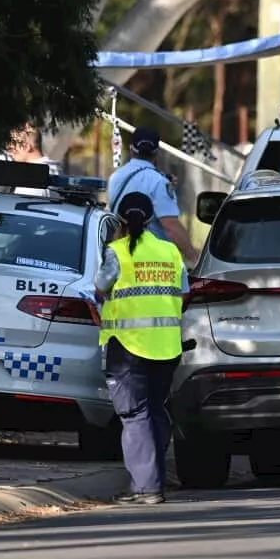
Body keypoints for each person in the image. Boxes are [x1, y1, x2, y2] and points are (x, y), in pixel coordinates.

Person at [94, 192, 188, 505]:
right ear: (150, 220)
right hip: (167, 346)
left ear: (121, 219)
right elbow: (183, 293)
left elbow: (100, 287)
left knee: (135, 415)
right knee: (155, 411)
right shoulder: (170, 251)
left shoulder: (116, 252)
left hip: (128, 346)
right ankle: (153, 476)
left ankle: (147, 488)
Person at [107, 126, 199, 266]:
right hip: (151, 263)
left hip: (120, 259)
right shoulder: (159, 183)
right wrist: (194, 258)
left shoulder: (115, 178)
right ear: (157, 153)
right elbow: (170, 226)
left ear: (131, 149)